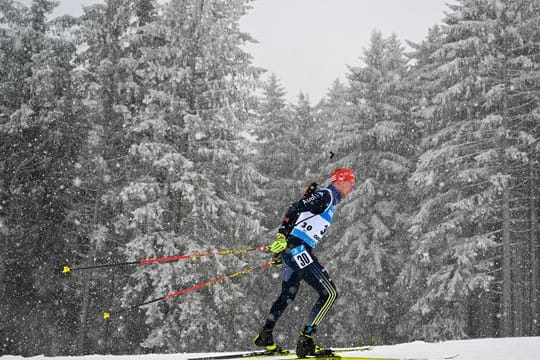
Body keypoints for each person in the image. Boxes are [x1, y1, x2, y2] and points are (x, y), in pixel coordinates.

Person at [253, 168, 356, 357]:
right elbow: (294, 208)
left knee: (287, 295)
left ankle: (266, 333)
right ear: (339, 181)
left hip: (293, 249)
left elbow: (299, 216)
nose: (352, 189)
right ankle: (305, 340)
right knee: (330, 293)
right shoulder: (326, 195)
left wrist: (282, 251)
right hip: (297, 249)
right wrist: (282, 235)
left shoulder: (329, 200)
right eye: (350, 184)